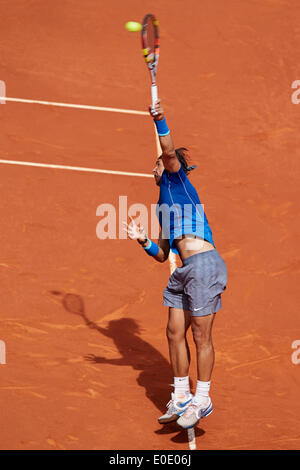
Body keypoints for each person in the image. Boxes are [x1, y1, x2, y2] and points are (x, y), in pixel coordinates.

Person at [123, 100, 227, 429]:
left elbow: (169, 153)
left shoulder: (175, 181)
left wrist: (160, 119)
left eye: (156, 165)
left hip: (204, 265)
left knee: (201, 337)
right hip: (184, 270)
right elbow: (163, 254)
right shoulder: (163, 206)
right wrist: (143, 240)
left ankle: (204, 398)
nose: (152, 169)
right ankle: (182, 394)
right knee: (173, 332)